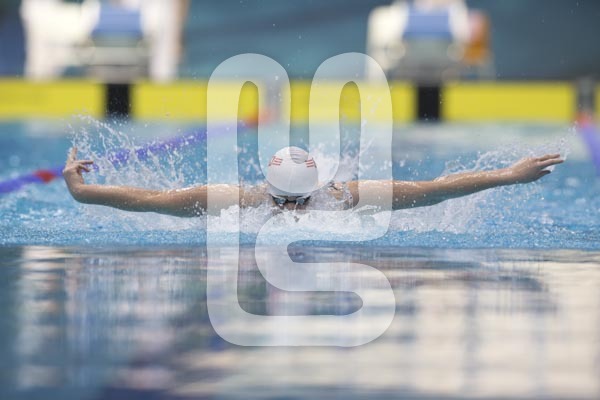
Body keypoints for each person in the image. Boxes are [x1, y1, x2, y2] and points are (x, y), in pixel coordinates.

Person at [63, 146, 564, 217]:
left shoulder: (348, 198)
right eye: (285, 202)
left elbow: (439, 186)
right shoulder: (233, 202)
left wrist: (508, 175)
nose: (293, 213)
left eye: (300, 202)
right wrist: (81, 192)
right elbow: (151, 199)